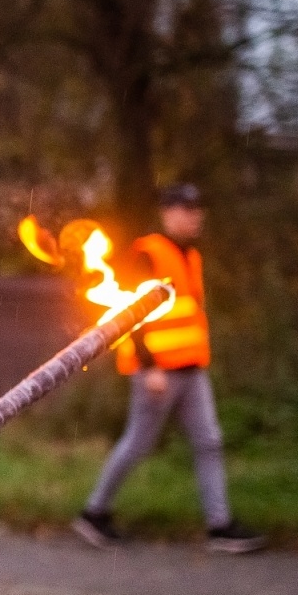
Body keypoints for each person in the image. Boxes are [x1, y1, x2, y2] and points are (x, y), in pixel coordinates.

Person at [73, 184, 265, 554]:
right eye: (187, 210)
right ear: (167, 213)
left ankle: (220, 525)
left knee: (209, 441)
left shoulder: (190, 255)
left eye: (198, 210)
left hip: (191, 368)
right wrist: (149, 366)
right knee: (138, 443)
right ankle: (94, 514)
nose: (195, 216)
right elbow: (129, 313)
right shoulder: (148, 254)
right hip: (158, 372)